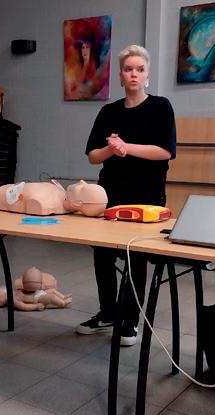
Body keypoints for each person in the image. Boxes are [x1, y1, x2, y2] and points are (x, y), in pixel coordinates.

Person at [75, 45, 176, 346]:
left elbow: (165, 151)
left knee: (135, 257)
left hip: (146, 195)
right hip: (110, 194)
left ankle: (130, 320)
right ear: (120, 75)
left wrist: (126, 147)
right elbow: (93, 155)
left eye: (140, 69)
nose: (134, 74)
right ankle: (108, 313)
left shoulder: (160, 106)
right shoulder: (108, 111)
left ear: (147, 74)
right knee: (102, 254)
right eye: (128, 69)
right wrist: (112, 149)